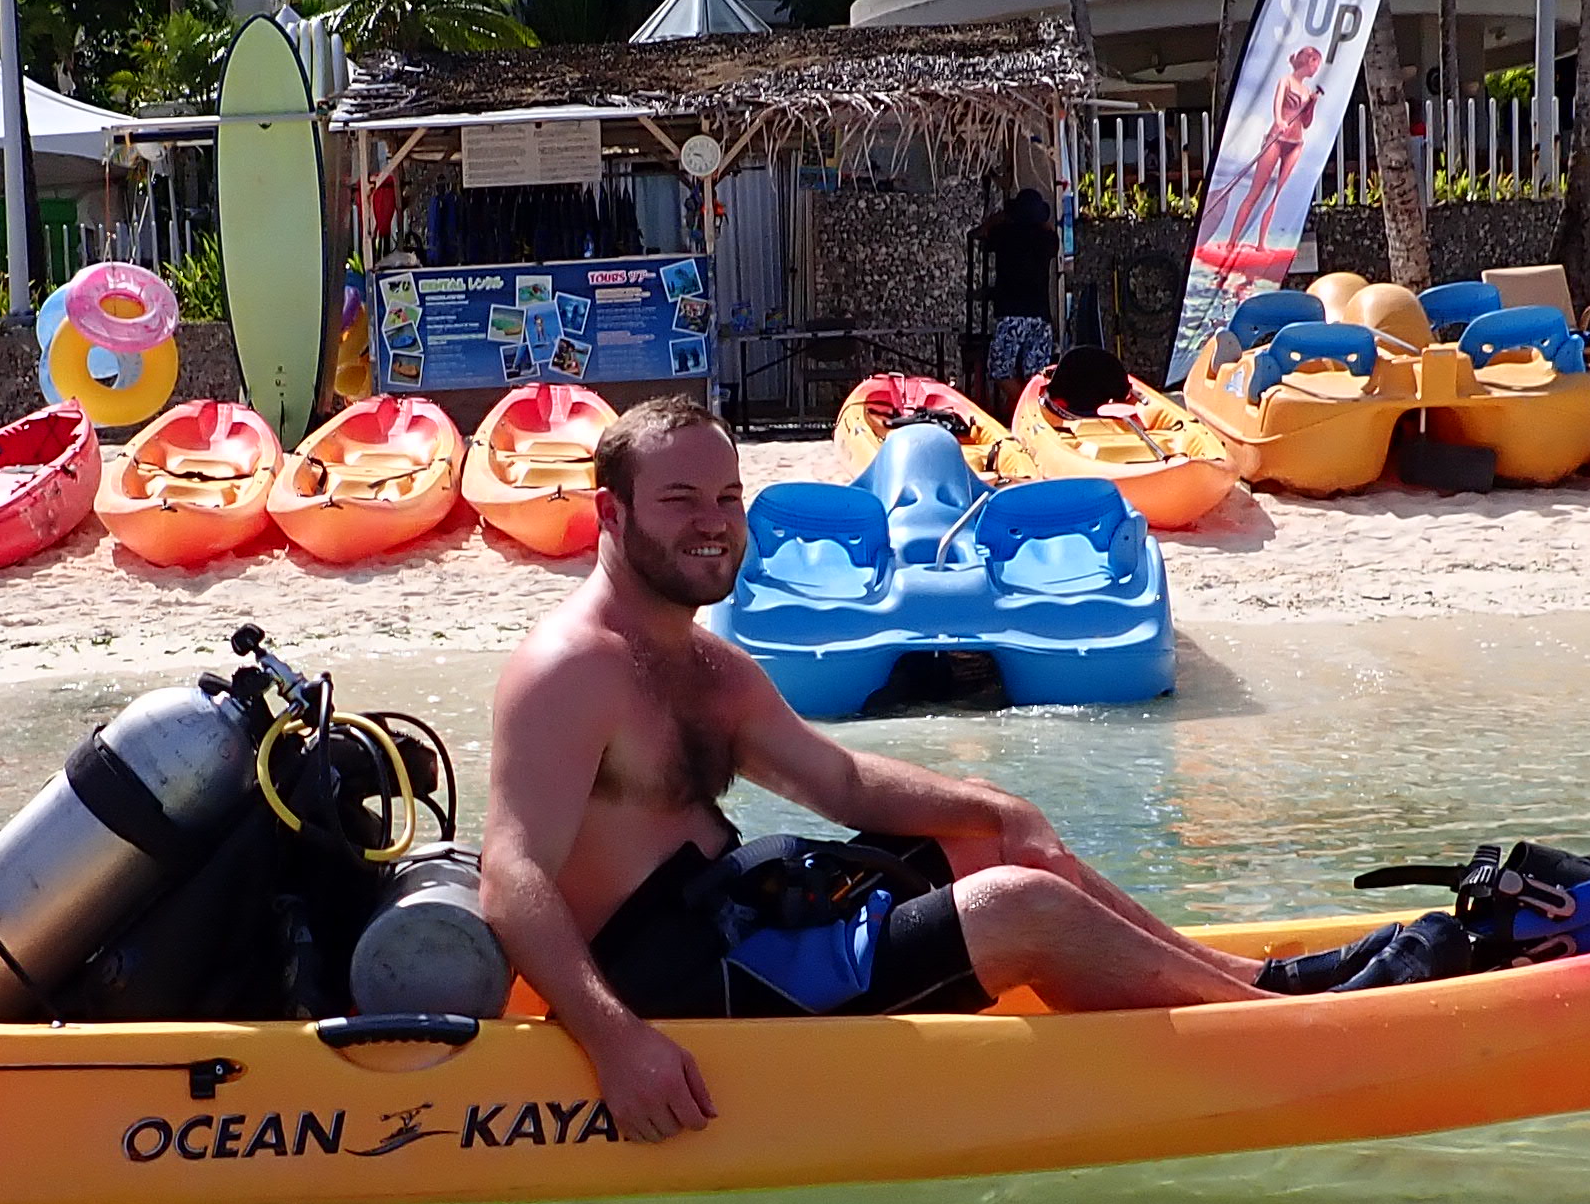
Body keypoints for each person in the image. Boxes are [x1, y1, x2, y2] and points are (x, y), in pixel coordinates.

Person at [480, 396, 1265, 1142]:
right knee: (1020, 906)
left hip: (739, 926)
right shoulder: (571, 669)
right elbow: (511, 876)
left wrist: (999, 813)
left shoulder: (707, 667)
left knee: (988, 836)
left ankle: (1254, 981)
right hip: (673, 990)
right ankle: (1275, 1029)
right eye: (680, 500)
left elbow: (840, 783)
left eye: (727, 497)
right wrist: (617, 1044)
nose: (713, 524)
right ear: (610, 514)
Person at [974, 186, 1061, 398]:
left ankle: (1019, 403)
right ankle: (1031, 408)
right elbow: (1050, 232)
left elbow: (982, 233)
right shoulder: (1047, 239)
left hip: (1012, 313)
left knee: (1000, 369)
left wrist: (998, 219)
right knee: (1036, 374)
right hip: (1040, 314)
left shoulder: (1004, 234)